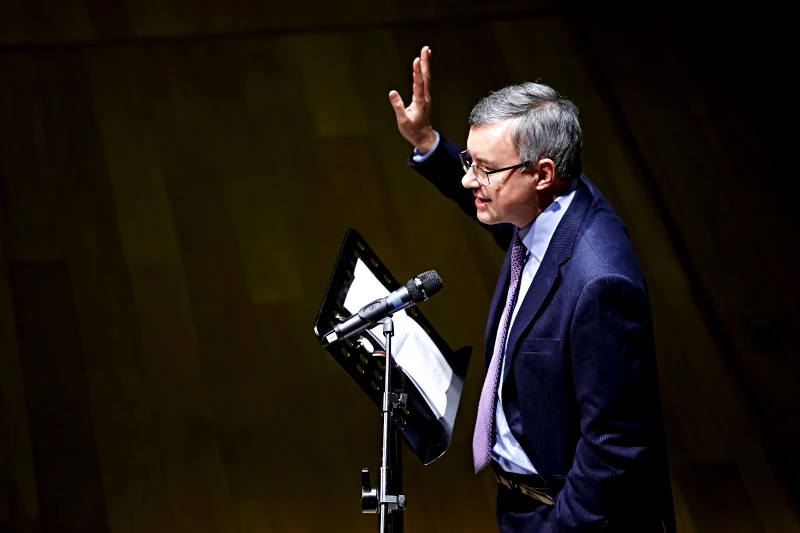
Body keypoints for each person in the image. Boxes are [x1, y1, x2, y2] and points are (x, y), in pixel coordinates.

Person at [388, 46, 676, 532]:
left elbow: (613, 448)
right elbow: (506, 221)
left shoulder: (602, 284)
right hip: (526, 503)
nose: (468, 179)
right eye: (467, 161)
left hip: (573, 520)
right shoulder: (554, 206)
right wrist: (429, 143)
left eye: (484, 169)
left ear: (542, 173)